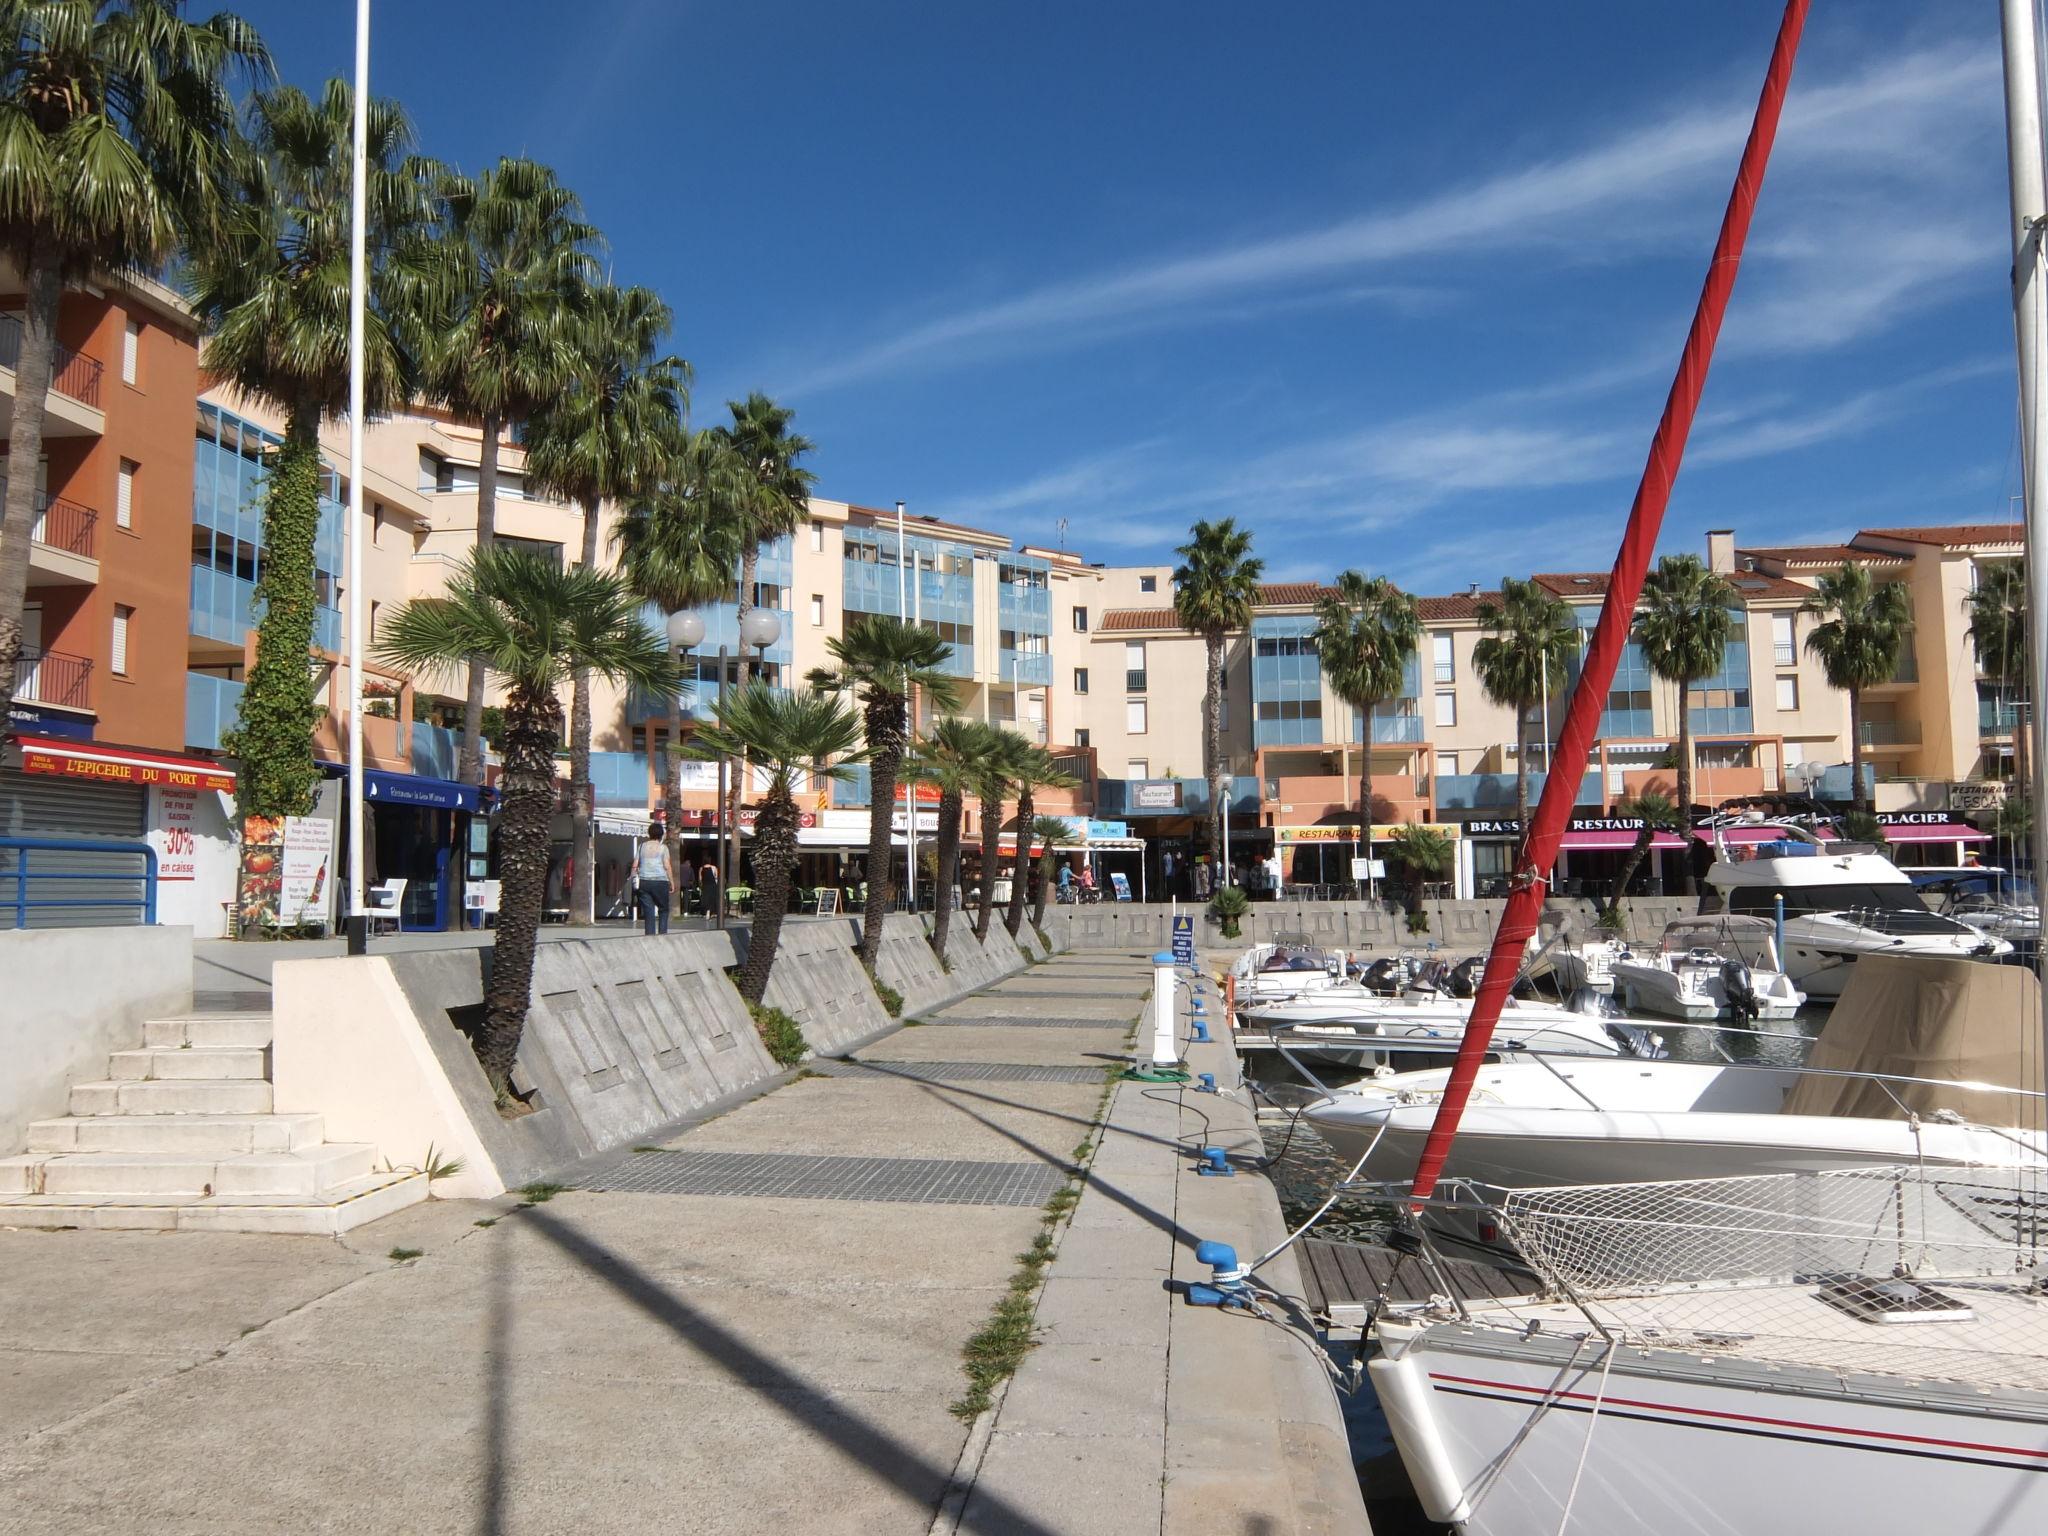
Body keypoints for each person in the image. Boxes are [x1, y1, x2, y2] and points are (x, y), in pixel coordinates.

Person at [635, 823, 673, 936]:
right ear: (661, 835)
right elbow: (667, 866)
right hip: (660, 881)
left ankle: (650, 936)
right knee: (663, 909)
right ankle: (662, 934)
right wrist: (671, 881)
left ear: (649, 833)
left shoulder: (641, 846)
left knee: (649, 911)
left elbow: (635, 863)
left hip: (644, 881)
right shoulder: (663, 848)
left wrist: (633, 879)